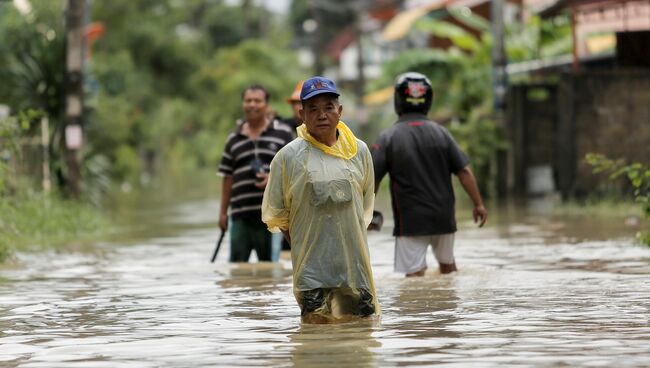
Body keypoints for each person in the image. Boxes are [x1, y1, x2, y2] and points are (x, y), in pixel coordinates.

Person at [262, 76, 380, 323]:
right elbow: (278, 214)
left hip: (354, 267)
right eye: (313, 109)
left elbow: (366, 202)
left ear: (340, 111)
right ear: (302, 114)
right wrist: (305, 250)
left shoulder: (359, 151)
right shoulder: (288, 158)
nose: (322, 115)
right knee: (315, 335)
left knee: (360, 334)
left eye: (328, 107)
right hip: (311, 271)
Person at [370, 72, 488, 276]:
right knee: (449, 270)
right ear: (428, 100)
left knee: (414, 279)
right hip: (444, 217)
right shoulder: (442, 133)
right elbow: (465, 171)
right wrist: (478, 204)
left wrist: (367, 212)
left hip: (411, 221)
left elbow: (372, 178)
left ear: (398, 100)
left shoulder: (388, 137)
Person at [218, 84, 294, 262]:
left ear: (266, 105)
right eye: (248, 100)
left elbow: (295, 170)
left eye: (257, 101)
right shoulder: (233, 139)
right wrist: (222, 212)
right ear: (243, 104)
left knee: (270, 270)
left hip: (271, 217)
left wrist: (273, 179)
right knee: (237, 268)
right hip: (240, 215)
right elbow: (227, 176)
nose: (252, 104)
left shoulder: (282, 134)